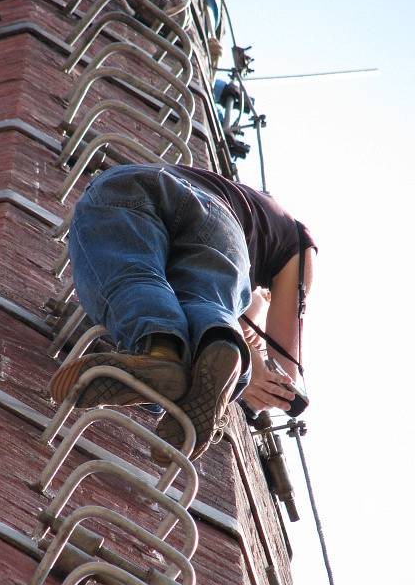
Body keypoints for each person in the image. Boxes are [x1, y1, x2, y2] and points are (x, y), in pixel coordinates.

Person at [49, 163, 316, 461]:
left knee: (136, 277)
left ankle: (162, 354)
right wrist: (259, 378)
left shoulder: (249, 212)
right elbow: (287, 374)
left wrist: (254, 356)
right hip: (220, 226)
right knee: (210, 305)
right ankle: (212, 352)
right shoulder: (297, 240)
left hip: (135, 185)